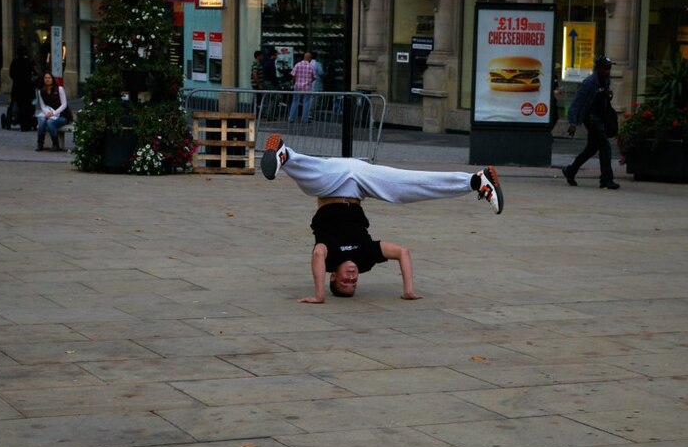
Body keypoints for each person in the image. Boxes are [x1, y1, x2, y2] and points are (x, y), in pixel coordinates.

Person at [260, 133, 504, 303]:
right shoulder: (365, 259)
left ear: (333, 275)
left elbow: (316, 255)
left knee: (309, 178)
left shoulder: (329, 257)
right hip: (360, 186)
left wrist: (319, 295)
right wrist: (408, 291)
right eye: (353, 284)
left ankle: (284, 154)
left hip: (328, 186)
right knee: (407, 187)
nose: (352, 278)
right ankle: (476, 181)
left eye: (344, 282)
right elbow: (402, 252)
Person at [562, 55, 620, 190]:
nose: (608, 72)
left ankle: (570, 170)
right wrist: (573, 123)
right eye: (606, 69)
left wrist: (607, 95)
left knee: (591, 149)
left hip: (601, 118)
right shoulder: (589, 82)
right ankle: (606, 179)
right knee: (605, 146)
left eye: (609, 69)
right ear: (598, 68)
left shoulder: (605, 81)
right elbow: (577, 102)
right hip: (592, 119)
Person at [35, 71, 72, 151]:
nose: (47, 79)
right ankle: (40, 144)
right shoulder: (40, 91)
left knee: (50, 122)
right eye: (45, 78)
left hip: (62, 116)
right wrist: (47, 113)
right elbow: (42, 106)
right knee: (42, 120)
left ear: (52, 79)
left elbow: (64, 104)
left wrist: (54, 113)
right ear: (43, 80)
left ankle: (56, 144)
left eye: (49, 78)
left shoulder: (59, 89)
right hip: (49, 114)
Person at [9, 46, 37, 132]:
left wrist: (17, 79)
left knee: (19, 105)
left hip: (18, 87)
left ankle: (20, 121)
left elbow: (11, 74)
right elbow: (34, 73)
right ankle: (27, 123)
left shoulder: (15, 62)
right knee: (28, 106)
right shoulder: (29, 62)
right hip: (28, 88)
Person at [289, 52, 315, 123]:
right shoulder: (311, 66)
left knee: (295, 101)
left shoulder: (297, 65)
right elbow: (314, 77)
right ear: (309, 58)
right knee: (306, 102)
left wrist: (295, 82)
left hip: (297, 86)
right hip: (307, 87)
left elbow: (293, 75)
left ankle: (291, 118)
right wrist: (309, 81)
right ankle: (304, 120)